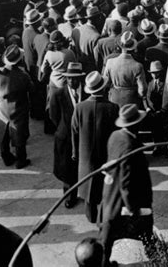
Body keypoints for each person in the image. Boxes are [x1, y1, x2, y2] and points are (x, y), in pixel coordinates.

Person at [100, 104, 153, 267]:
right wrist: (133, 208)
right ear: (135, 125)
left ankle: (104, 262)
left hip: (110, 196)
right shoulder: (131, 146)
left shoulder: (115, 136)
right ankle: (155, 260)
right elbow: (126, 183)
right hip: (126, 202)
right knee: (145, 232)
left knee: (107, 239)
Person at [71, 71, 119, 223]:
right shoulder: (112, 108)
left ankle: (91, 215)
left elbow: (74, 131)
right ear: (103, 89)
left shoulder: (79, 107)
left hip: (85, 155)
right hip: (106, 154)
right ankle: (103, 216)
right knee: (105, 186)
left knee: (88, 186)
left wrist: (75, 152)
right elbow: (117, 133)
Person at [0, 45, 33, 169]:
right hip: (18, 109)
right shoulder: (23, 75)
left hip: (2, 109)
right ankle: (21, 160)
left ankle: (6, 158)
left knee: (3, 136)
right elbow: (31, 88)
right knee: (20, 136)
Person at [49, 62, 86, 209]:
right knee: (67, 170)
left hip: (83, 137)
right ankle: (70, 196)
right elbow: (53, 116)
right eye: (69, 78)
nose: (72, 81)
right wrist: (63, 128)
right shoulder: (58, 94)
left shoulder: (88, 93)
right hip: (65, 138)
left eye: (75, 78)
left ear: (81, 79)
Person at [103, 31, 148, 108]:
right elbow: (142, 90)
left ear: (121, 46)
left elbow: (106, 83)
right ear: (133, 48)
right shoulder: (137, 66)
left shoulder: (110, 62)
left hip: (114, 98)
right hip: (131, 100)